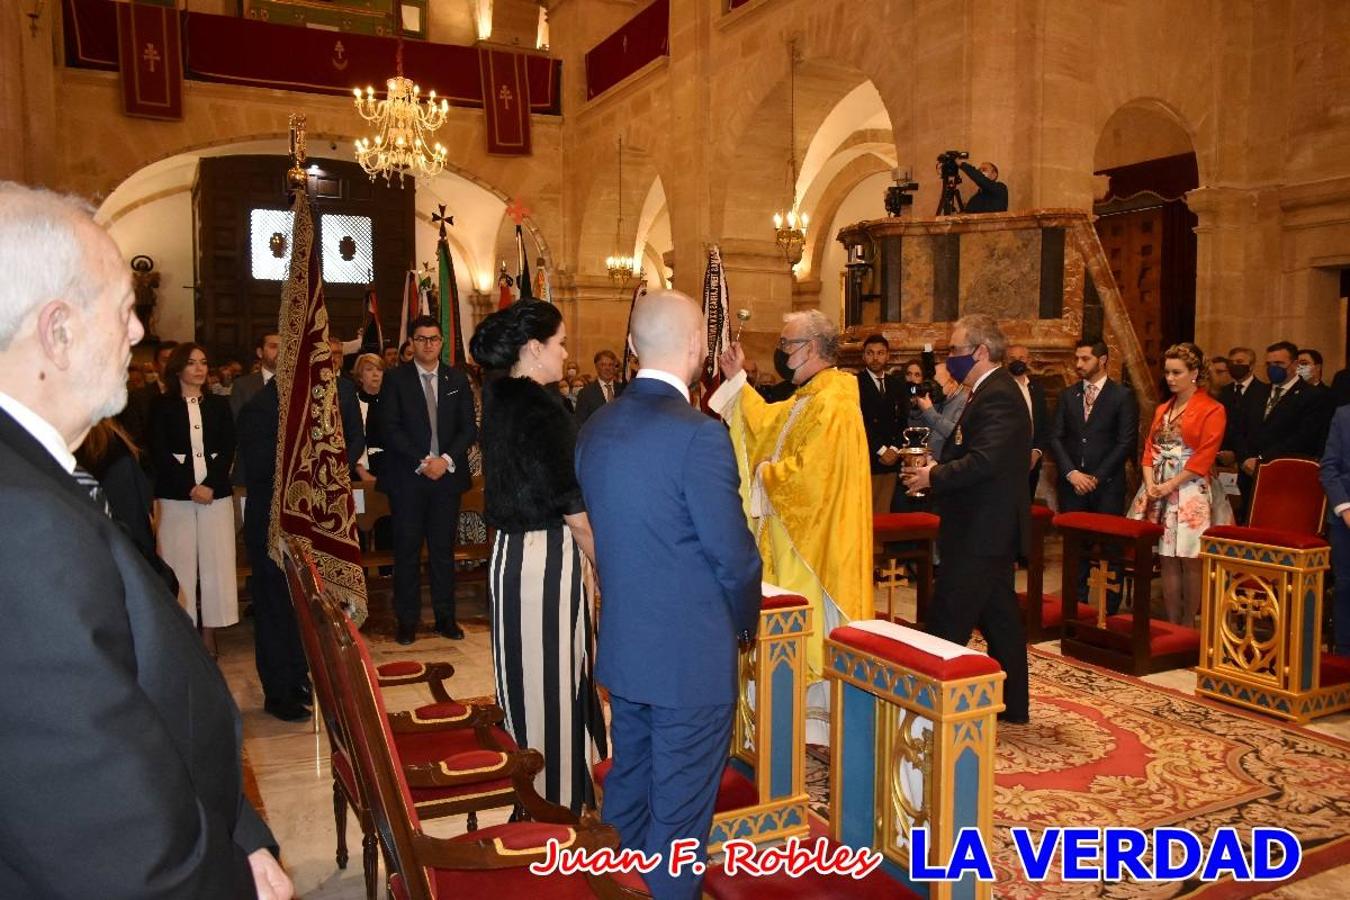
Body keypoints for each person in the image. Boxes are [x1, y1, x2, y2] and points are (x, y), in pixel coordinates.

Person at [0, 181, 290, 898]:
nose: (137, 336)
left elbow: (143, 692)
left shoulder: (38, 474)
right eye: (125, 312)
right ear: (57, 330)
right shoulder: (21, 521)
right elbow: (105, 831)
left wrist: (241, 831)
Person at [578, 289, 761, 900]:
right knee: (680, 824)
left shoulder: (596, 427)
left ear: (631, 348)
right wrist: (743, 625)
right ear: (698, 349)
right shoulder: (699, 436)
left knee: (629, 793)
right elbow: (734, 558)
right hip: (689, 659)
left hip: (629, 651)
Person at [469, 302, 608, 815]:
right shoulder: (541, 407)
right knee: (553, 679)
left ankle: (531, 791)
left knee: (526, 680)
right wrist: (607, 569)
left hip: (510, 556)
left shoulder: (501, 397)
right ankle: (557, 803)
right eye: (560, 344)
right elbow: (573, 508)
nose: (566, 355)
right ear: (533, 349)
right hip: (545, 558)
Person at [713, 309, 871, 744]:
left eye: (788, 344)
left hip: (814, 547)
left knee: (810, 627)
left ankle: (811, 724)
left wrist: (766, 473)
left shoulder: (834, 402)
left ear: (815, 348)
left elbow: (813, 479)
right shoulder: (807, 398)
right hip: (788, 540)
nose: (782, 353)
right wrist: (736, 380)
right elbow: (765, 425)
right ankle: (784, 723)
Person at [901, 314, 1031, 724]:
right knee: (1000, 621)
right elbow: (969, 451)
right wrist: (936, 466)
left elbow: (986, 460)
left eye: (955, 350)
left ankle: (928, 711)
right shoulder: (983, 390)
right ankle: (1014, 706)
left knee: (948, 618)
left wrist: (934, 475)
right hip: (978, 525)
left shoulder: (999, 394)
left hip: (983, 529)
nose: (949, 357)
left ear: (979, 351)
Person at [376, 315, 478, 645]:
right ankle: (407, 620)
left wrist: (445, 460)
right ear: (411, 343)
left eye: (434, 339)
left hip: (446, 478)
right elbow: (389, 428)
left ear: (442, 342)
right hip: (408, 478)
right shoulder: (395, 379)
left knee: (442, 551)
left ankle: (445, 617)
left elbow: (468, 427)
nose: (428, 344)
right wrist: (423, 462)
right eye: (421, 339)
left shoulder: (457, 379)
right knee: (406, 551)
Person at [1127, 343, 1232, 625]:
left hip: (1189, 489)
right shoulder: (1164, 408)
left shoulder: (1212, 408)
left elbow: (1205, 456)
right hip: (1158, 487)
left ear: (1194, 373)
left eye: (1177, 372)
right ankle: (1172, 622)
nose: (1170, 378)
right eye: (1167, 373)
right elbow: (1149, 448)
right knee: (1166, 557)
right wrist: (1150, 482)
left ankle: (1188, 624)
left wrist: (1171, 484)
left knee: (1189, 557)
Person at [150, 342, 239, 655]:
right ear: (178, 369)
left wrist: (211, 484)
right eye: (192, 363)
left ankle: (210, 633)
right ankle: (184, 630)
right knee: (178, 562)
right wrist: (190, 486)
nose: (199, 369)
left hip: (215, 496)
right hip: (176, 496)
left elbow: (228, 447)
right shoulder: (161, 406)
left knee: (216, 562)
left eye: (203, 362)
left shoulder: (218, 406)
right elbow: (159, 452)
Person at [1048, 339, 1138, 611]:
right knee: (1076, 548)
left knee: (1110, 548)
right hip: (1073, 485)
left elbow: (1125, 442)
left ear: (1102, 360)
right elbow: (1055, 437)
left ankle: (1109, 609)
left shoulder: (1121, 396)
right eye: (1077, 358)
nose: (1078, 364)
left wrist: (1096, 477)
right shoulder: (1068, 395)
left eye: (1085, 359)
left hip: (1106, 485)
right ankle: (1077, 607)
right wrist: (1071, 473)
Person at [1233, 341, 1325, 517]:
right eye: (1269, 364)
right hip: (1249, 477)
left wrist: (1262, 460)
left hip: (1284, 477)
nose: (1273, 368)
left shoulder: (1312, 396)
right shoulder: (1256, 392)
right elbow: (1239, 429)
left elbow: (1303, 437)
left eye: (1279, 364)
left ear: (1295, 365)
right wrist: (1244, 458)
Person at [858, 333, 903, 513]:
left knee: (887, 515)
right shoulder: (855, 383)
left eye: (880, 353)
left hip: (893, 459)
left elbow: (903, 420)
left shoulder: (896, 384)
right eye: (870, 353)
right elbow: (859, 422)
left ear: (888, 355)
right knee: (869, 516)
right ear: (863, 356)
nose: (875, 358)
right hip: (870, 458)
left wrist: (895, 448)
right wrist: (882, 450)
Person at [229, 332, 280, 486]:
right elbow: (236, 425)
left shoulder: (301, 385)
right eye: (273, 347)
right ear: (260, 352)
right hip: (252, 468)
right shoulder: (243, 385)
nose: (280, 352)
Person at [1319, 405, 1350, 658]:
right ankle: (1343, 654)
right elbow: (1328, 468)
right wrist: (1346, 509)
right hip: (1345, 519)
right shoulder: (1343, 415)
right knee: (1345, 587)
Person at [351, 352, 385, 479]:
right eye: (369, 369)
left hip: (393, 472)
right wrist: (362, 472)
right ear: (360, 376)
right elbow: (350, 440)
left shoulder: (393, 402)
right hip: (361, 473)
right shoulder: (353, 403)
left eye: (379, 369)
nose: (375, 374)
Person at [574, 348, 623, 425]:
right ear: (596, 367)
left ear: (614, 367)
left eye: (610, 365)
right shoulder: (585, 393)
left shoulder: (624, 390)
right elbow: (580, 422)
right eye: (603, 365)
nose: (607, 368)